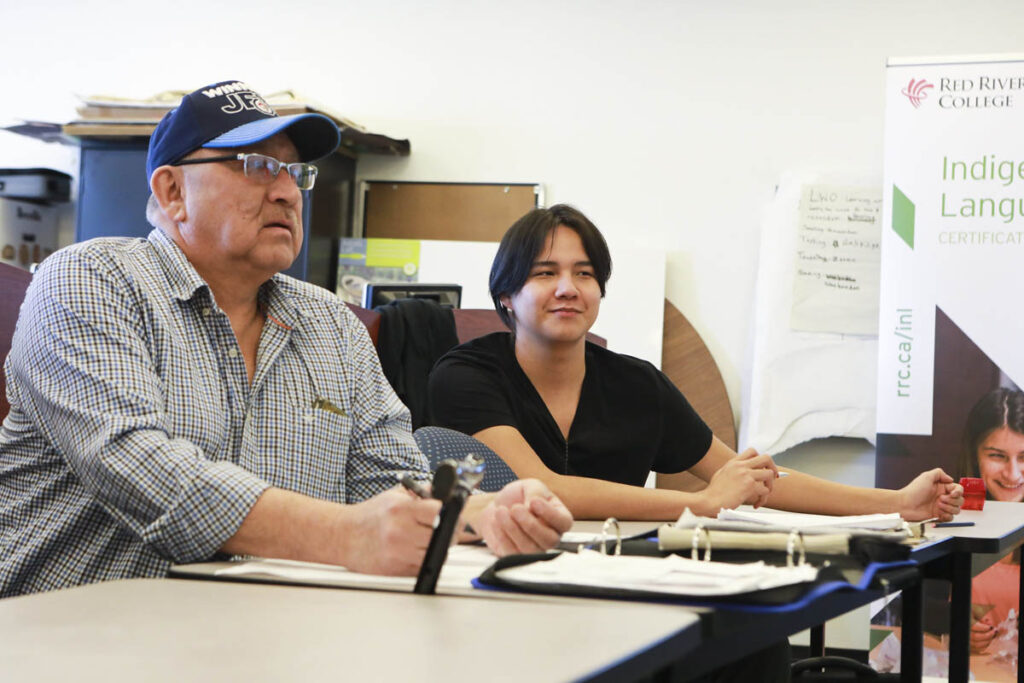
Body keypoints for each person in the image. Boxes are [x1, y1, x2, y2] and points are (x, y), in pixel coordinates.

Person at [0, 81, 571, 598]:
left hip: (270, 636)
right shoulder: (91, 280)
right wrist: (346, 536)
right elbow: (140, 469)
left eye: (294, 173)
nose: (288, 194)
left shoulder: (330, 324)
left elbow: (392, 486)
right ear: (172, 191)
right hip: (78, 633)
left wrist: (481, 514)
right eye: (254, 166)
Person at [428, 204, 965, 522]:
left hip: (614, 575)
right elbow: (540, 487)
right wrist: (703, 504)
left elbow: (749, 478)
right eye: (545, 273)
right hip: (494, 578)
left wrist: (896, 502)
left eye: (585, 274)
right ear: (505, 297)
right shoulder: (465, 376)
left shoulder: (636, 384)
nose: (568, 288)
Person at [958, 388, 1023, 661]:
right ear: (975, 456)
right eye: (997, 456)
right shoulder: (949, 518)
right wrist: (949, 624)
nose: (1013, 474)